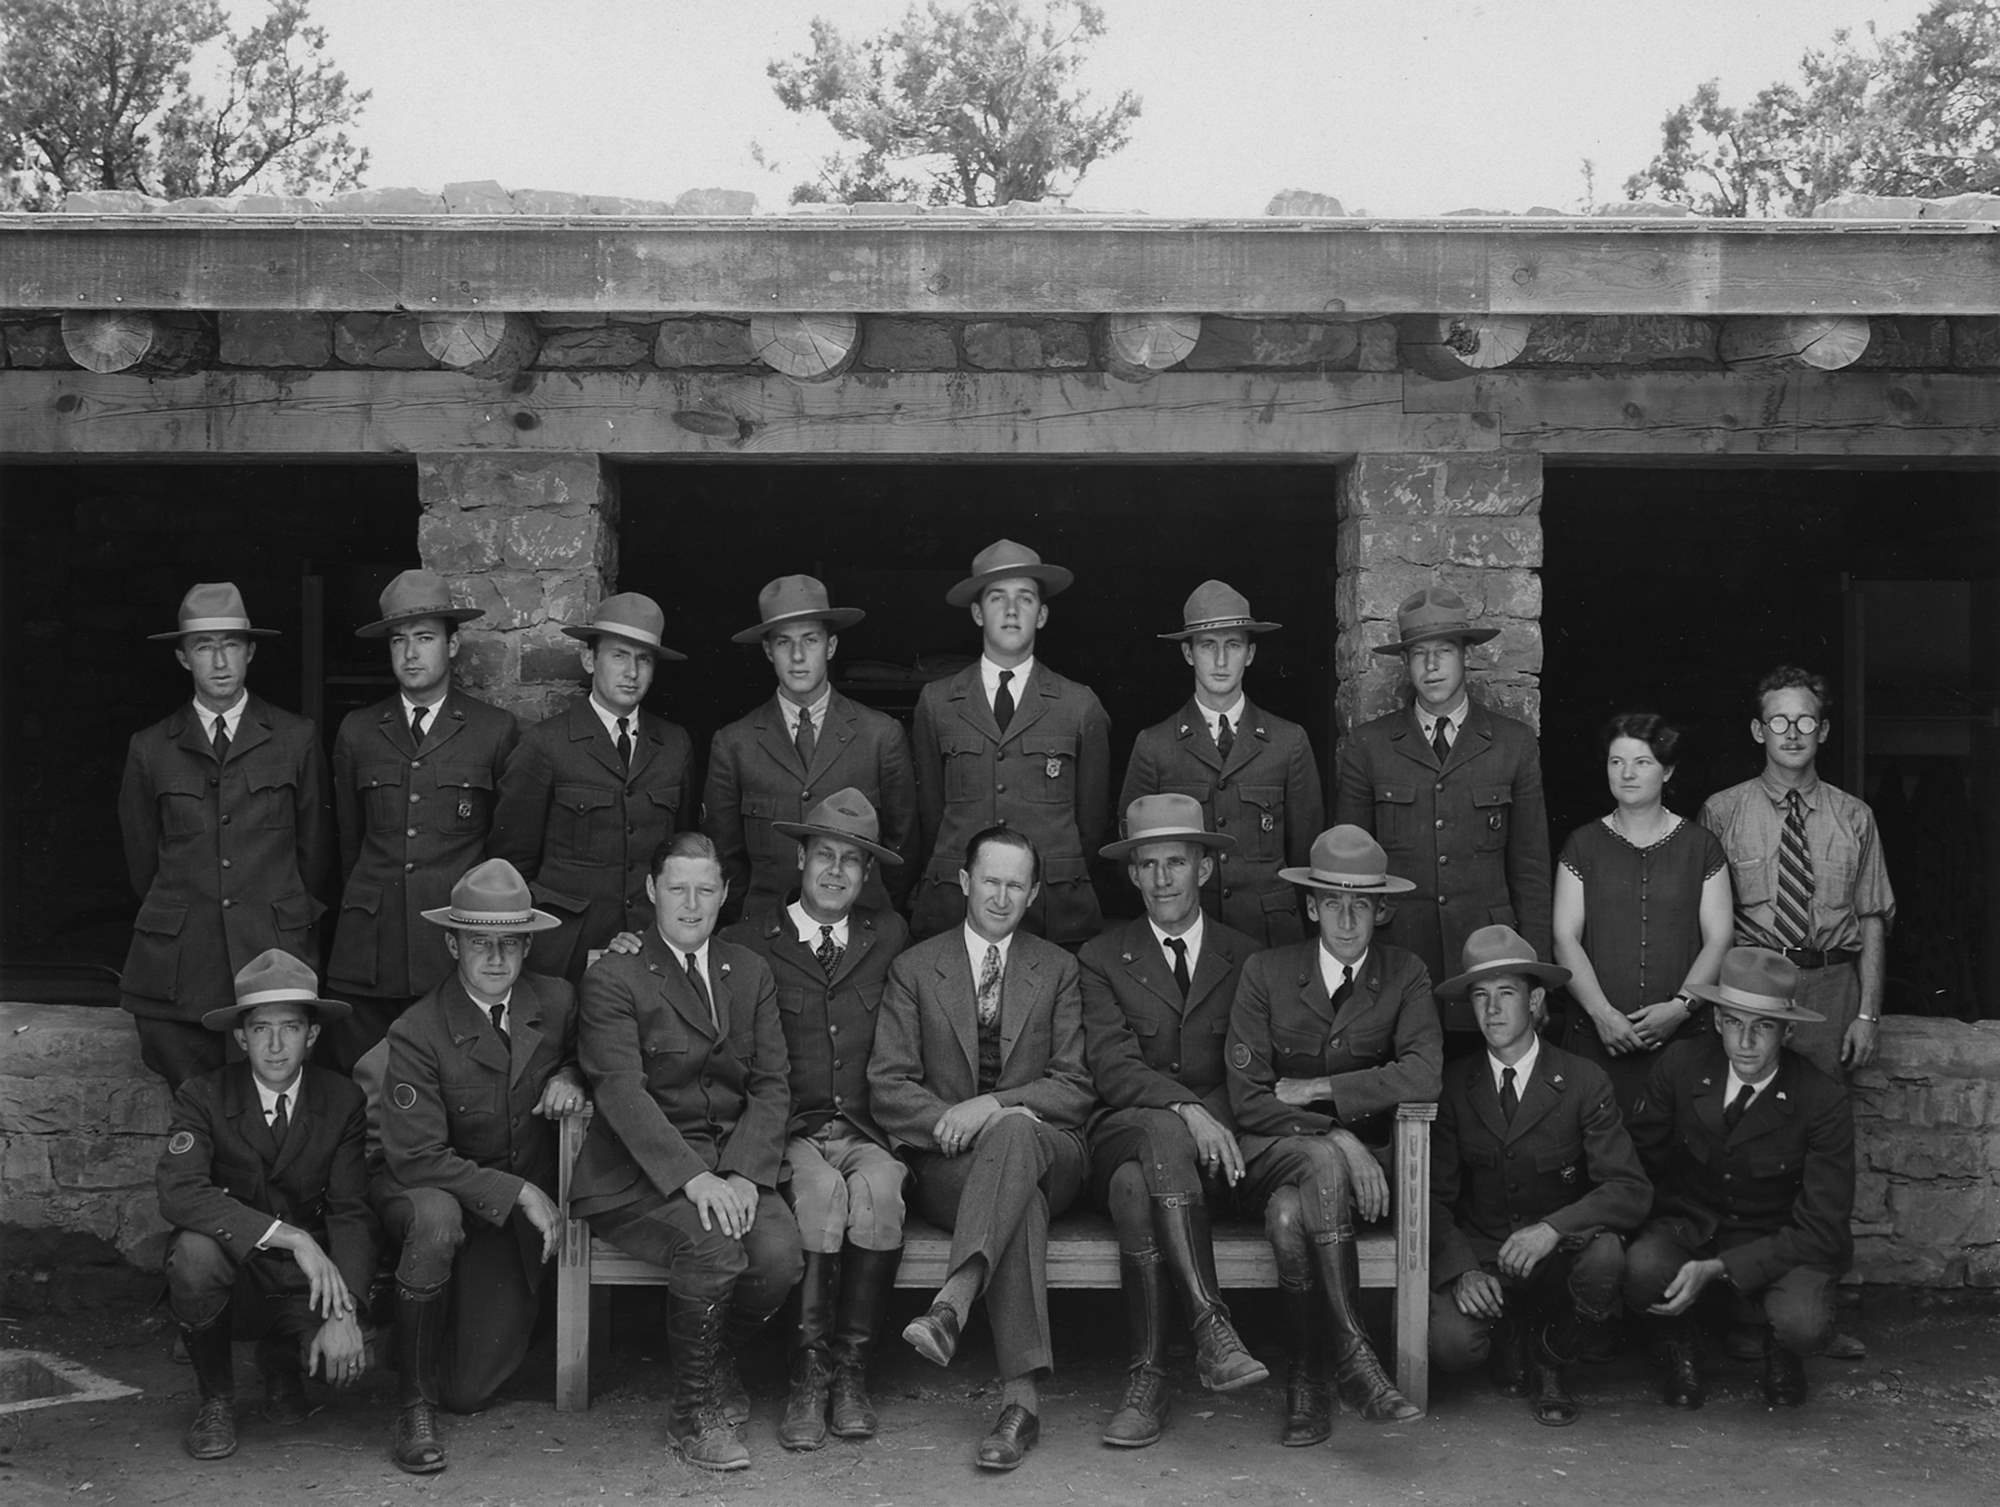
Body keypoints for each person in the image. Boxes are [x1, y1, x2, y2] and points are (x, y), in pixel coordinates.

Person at [568, 832, 802, 1473]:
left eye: (706, 890)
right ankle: (691, 1416)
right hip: (637, 1176)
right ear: (652, 891)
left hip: (731, 1166)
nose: (691, 904)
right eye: (677, 888)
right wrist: (695, 1179)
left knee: (779, 1259)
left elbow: (772, 1082)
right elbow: (620, 1091)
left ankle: (717, 1354)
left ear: (725, 894)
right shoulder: (615, 975)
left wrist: (745, 1172)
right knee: (713, 1247)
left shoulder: (748, 971)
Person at [870, 827, 1095, 1471]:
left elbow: (1074, 1085)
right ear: (965, 882)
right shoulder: (916, 967)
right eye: (990, 881)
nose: (1001, 895)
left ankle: (955, 1300)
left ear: (1032, 895)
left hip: (1054, 1153)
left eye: (1015, 885)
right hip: (950, 1165)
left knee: (1018, 1132)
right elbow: (888, 1086)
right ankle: (1019, 1403)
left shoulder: (1057, 968)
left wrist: (993, 1106)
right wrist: (955, 1120)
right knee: (1015, 1199)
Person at [364, 859, 585, 1474]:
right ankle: (410, 1384)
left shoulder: (558, 1000)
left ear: (526, 945)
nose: (496, 958)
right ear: (451, 943)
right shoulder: (419, 1030)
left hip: (515, 1206)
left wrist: (570, 1075)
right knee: (463, 1389)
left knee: (484, 1371)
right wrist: (518, 1192)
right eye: (479, 942)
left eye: (510, 943)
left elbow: (586, 1056)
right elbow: (415, 1156)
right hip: (452, 1194)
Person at [1226, 825, 1440, 1445]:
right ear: (1311, 906)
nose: (1347, 919)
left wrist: (1320, 1088)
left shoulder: (1407, 973)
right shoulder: (1266, 972)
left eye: (1361, 904)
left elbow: (1426, 1072)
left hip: (1359, 1174)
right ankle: (1358, 1361)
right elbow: (1249, 1099)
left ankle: (1308, 1376)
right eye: (1334, 903)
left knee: (1291, 1219)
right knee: (1318, 1165)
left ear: (1381, 909)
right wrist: (1338, 1138)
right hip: (1273, 1153)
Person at [719, 788, 911, 1451]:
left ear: (867, 875)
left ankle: (850, 1372)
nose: (836, 871)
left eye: (852, 862)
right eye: (824, 854)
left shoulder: (886, 935)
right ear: (800, 857)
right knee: (822, 1195)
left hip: (863, 1127)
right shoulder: (751, 941)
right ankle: (807, 1372)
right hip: (793, 1131)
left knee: (882, 1191)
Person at [1078, 794, 1268, 1449]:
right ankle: (1211, 1326)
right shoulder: (1101, 957)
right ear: (1131, 874)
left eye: (1177, 863)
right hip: (1124, 1128)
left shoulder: (1246, 955)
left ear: (1204, 870)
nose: (1162, 878)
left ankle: (1148, 1376)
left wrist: (1208, 1119)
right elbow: (1112, 1066)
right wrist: (1188, 1111)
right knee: (1154, 1138)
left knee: (1137, 1189)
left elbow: (1249, 1067)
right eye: (1148, 864)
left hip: (1216, 1155)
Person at [155, 949, 374, 1461]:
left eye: (291, 1028)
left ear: (312, 1035)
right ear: (240, 1036)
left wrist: (346, 1313)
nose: (276, 1045)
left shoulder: (341, 1100)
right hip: (243, 1272)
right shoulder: (203, 1095)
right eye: (260, 1029)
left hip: (307, 1283)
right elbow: (180, 1191)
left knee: (344, 1365)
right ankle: (216, 1399)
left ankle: (284, 1364)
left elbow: (350, 1209)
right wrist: (291, 1236)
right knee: (193, 1256)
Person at [1427, 925, 1651, 1427]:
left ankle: (1553, 1357)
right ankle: (1510, 1335)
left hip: (1559, 1257)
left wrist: (1552, 1229)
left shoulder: (1581, 1079)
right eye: (1480, 996)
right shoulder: (1452, 1085)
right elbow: (1434, 1198)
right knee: (1451, 1347)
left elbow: (1630, 1189)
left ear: (1535, 1001)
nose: (1492, 1010)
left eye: (1507, 993)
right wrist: (1461, 1269)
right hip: (1486, 1253)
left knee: (1607, 1256)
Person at [119, 582, 335, 1088]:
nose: (219, 661)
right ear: (182, 657)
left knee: (271, 1102)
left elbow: (317, 854)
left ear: (251, 651)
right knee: (196, 1100)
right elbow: (141, 863)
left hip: (271, 951)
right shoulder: (151, 749)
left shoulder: (295, 737)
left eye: (231, 645)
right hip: (184, 961)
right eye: (203, 647)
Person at [1622, 946, 1855, 1410]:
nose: (1745, 1041)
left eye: (1763, 1026)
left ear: (1787, 1032)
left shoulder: (1821, 1098)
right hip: (1694, 1228)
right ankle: (1678, 1340)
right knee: (1642, 1269)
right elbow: (1641, 1163)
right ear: (1716, 1022)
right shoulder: (1681, 1067)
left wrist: (1720, 1269)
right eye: (1734, 1022)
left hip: (1779, 1240)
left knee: (1803, 1322)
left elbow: (1823, 1228)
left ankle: (1781, 1350)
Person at [1332, 586, 1551, 1044]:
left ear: (1465, 656)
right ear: (1406, 662)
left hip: (1489, 965)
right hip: (1399, 959)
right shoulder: (1368, 747)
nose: (1431, 666)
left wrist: (1537, 979)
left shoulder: (1512, 744)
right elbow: (1346, 875)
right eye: (1418, 653)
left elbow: (1530, 872)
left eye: (1444, 651)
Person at [325, 569, 520, 1071]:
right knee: (363, 1087)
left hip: (448, 947)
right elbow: (347, 843)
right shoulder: (358, 731)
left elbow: (505, 852)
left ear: (453, 646)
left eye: (426, 638)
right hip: (369, 951)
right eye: (399, 641)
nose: (411, 654)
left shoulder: (493, 732)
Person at [909, 539, 1111, 947]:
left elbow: (1092, 823)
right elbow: (930, 813)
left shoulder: (1078, 704)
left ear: (1043, 614)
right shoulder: (938, 701)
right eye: (998, 598)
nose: (1013, 610)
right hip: (957, 907)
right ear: (977, 612)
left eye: (1026, 598)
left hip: (1053, 910)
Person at [1700, 667, 1894, 1080]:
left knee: (1825, 1119)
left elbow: (1872, 919)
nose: (1792, 733)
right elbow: (1705, 923)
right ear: (1758, 730)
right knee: (1747, 1113)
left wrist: (1868, 1015)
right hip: (1751, 986)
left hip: (1832, 988)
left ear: (1822, 730)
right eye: (1779, 721)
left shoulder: (1855, 817)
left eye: (1805, 721)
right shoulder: (1722, 812)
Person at [491, 593, 695, 981]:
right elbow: (512, 863)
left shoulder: (674, 745)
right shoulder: (545, 745)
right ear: (590, 660)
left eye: (644, 659)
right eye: (619, 655)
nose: (632, 671)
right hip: (566, 953)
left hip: (649, 947)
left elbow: (682, 853)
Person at [1118, 581, 1324, 946]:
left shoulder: (1288, 742)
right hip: (1189, 934)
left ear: (1250, 653)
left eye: (1233, 645)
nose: (1221, 660)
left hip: (1269, 937)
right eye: (1208, 646)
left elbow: (1305, 853)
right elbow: (1133, 854)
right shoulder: (1154, 745)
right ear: (1187, 653)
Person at [704, 574, 917, 927]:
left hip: (861, 933)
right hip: (766, 936)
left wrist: (873, 917)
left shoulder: (881, 736)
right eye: (784, 642)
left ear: (831, 647)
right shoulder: (734, 743)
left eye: (811, 640)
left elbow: (903, 847)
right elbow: (725, 856)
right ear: (768, 650)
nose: (799, 656)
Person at [1551, 713, 1731, 1116]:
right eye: (1617, 762)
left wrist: (1680, 1008)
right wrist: (1603, 1015)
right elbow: (1564, 937)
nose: (1627, 773)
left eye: (1642, 762)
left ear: (1667, 771)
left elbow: (1720, 938)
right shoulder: (1582, 844)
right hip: (1598, 1039)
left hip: (1683, 1041)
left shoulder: (1701, 847)